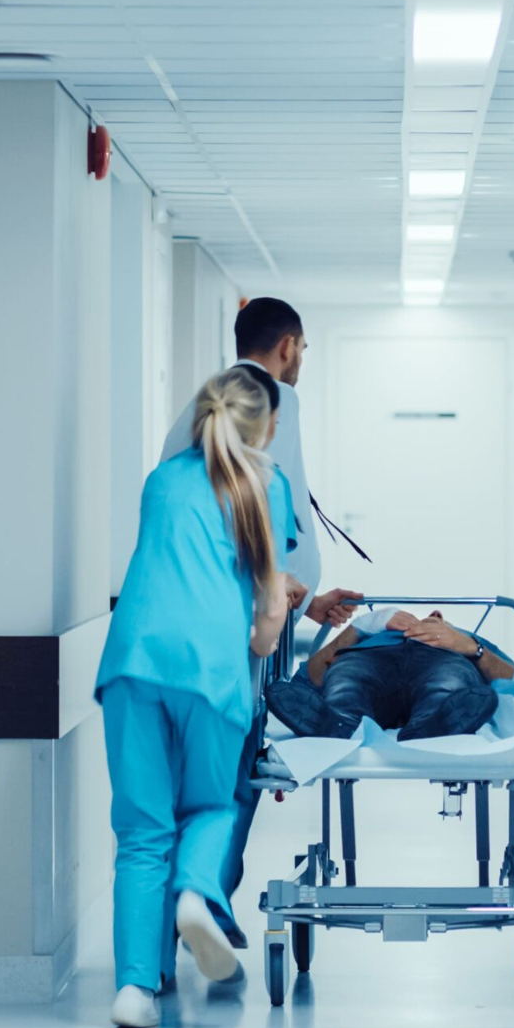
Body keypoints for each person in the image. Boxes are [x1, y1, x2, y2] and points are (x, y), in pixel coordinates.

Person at [97, 369, 303, 1028]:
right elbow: (271, 604)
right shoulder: (266, 485)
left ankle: (136, 989)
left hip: (132, 660)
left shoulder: (161, 480)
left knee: (141, 830)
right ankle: (197, 894)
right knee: (211, 804)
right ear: (267, 426)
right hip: (212, 666)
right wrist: (261, 647)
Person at [160, 297, 361, 946]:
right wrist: (301, 600)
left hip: (167, 621)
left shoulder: (203, 402)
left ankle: (172, 919)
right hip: (239, 617)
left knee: (174, 781)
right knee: (236, 766)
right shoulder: (275, 399)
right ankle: (207, 901)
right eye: (302, 350)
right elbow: (284, 504)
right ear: (288, 346)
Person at [266, 607, 514, 741]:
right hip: (369, 660)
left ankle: (432, 723)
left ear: (440, 617)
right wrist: (362, 627)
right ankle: (339, 721)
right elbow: (305, 680)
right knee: (347, 682)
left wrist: (473, 648)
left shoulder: (464, 640)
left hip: (443, 662)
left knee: (448, 684)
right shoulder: (368, 637)